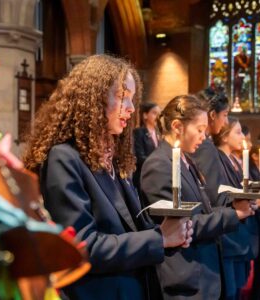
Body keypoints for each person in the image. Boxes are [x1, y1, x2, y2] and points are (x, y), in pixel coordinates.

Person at [23, 54, 193, 300]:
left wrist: (170, 232)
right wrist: (160, 238)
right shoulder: (64, 158)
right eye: (124, 97)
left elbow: (128, 230)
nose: (132, 108)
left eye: (133, 100)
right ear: (94, 99)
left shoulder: (111, 158)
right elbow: (82, 247)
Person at [140, 95, 256, 300]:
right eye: (200, 130)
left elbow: (205, 210)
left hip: (205, 274)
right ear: (177, 126)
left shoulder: (186, 160)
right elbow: (182, 225)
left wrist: (235, 205)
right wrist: (233, 214)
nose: (204, 136)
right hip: (186, 278)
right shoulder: (158, 165)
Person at [213, 117, 259, 299]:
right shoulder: (218, 158)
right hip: (230, 238)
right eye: (238, 132)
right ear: (224, 136)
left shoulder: (234, 160)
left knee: (240, 287)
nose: (243, 138)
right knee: (231, 292)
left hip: (243, 236)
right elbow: (220, 194)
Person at [190, 88, 230, 207]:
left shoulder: (204, 143)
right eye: (225, 115)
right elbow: (215, 194)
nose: (226, 122)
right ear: (213, 115)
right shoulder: (204, 146)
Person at [133, 102, 161, 191]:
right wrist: (157, 164)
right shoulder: (139, 132)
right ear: (145, 115)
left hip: (156, 176)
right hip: (144, 175)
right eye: (154, 113)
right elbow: (139, 156)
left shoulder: (159, 133)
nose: (157, 116)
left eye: (159, 114)